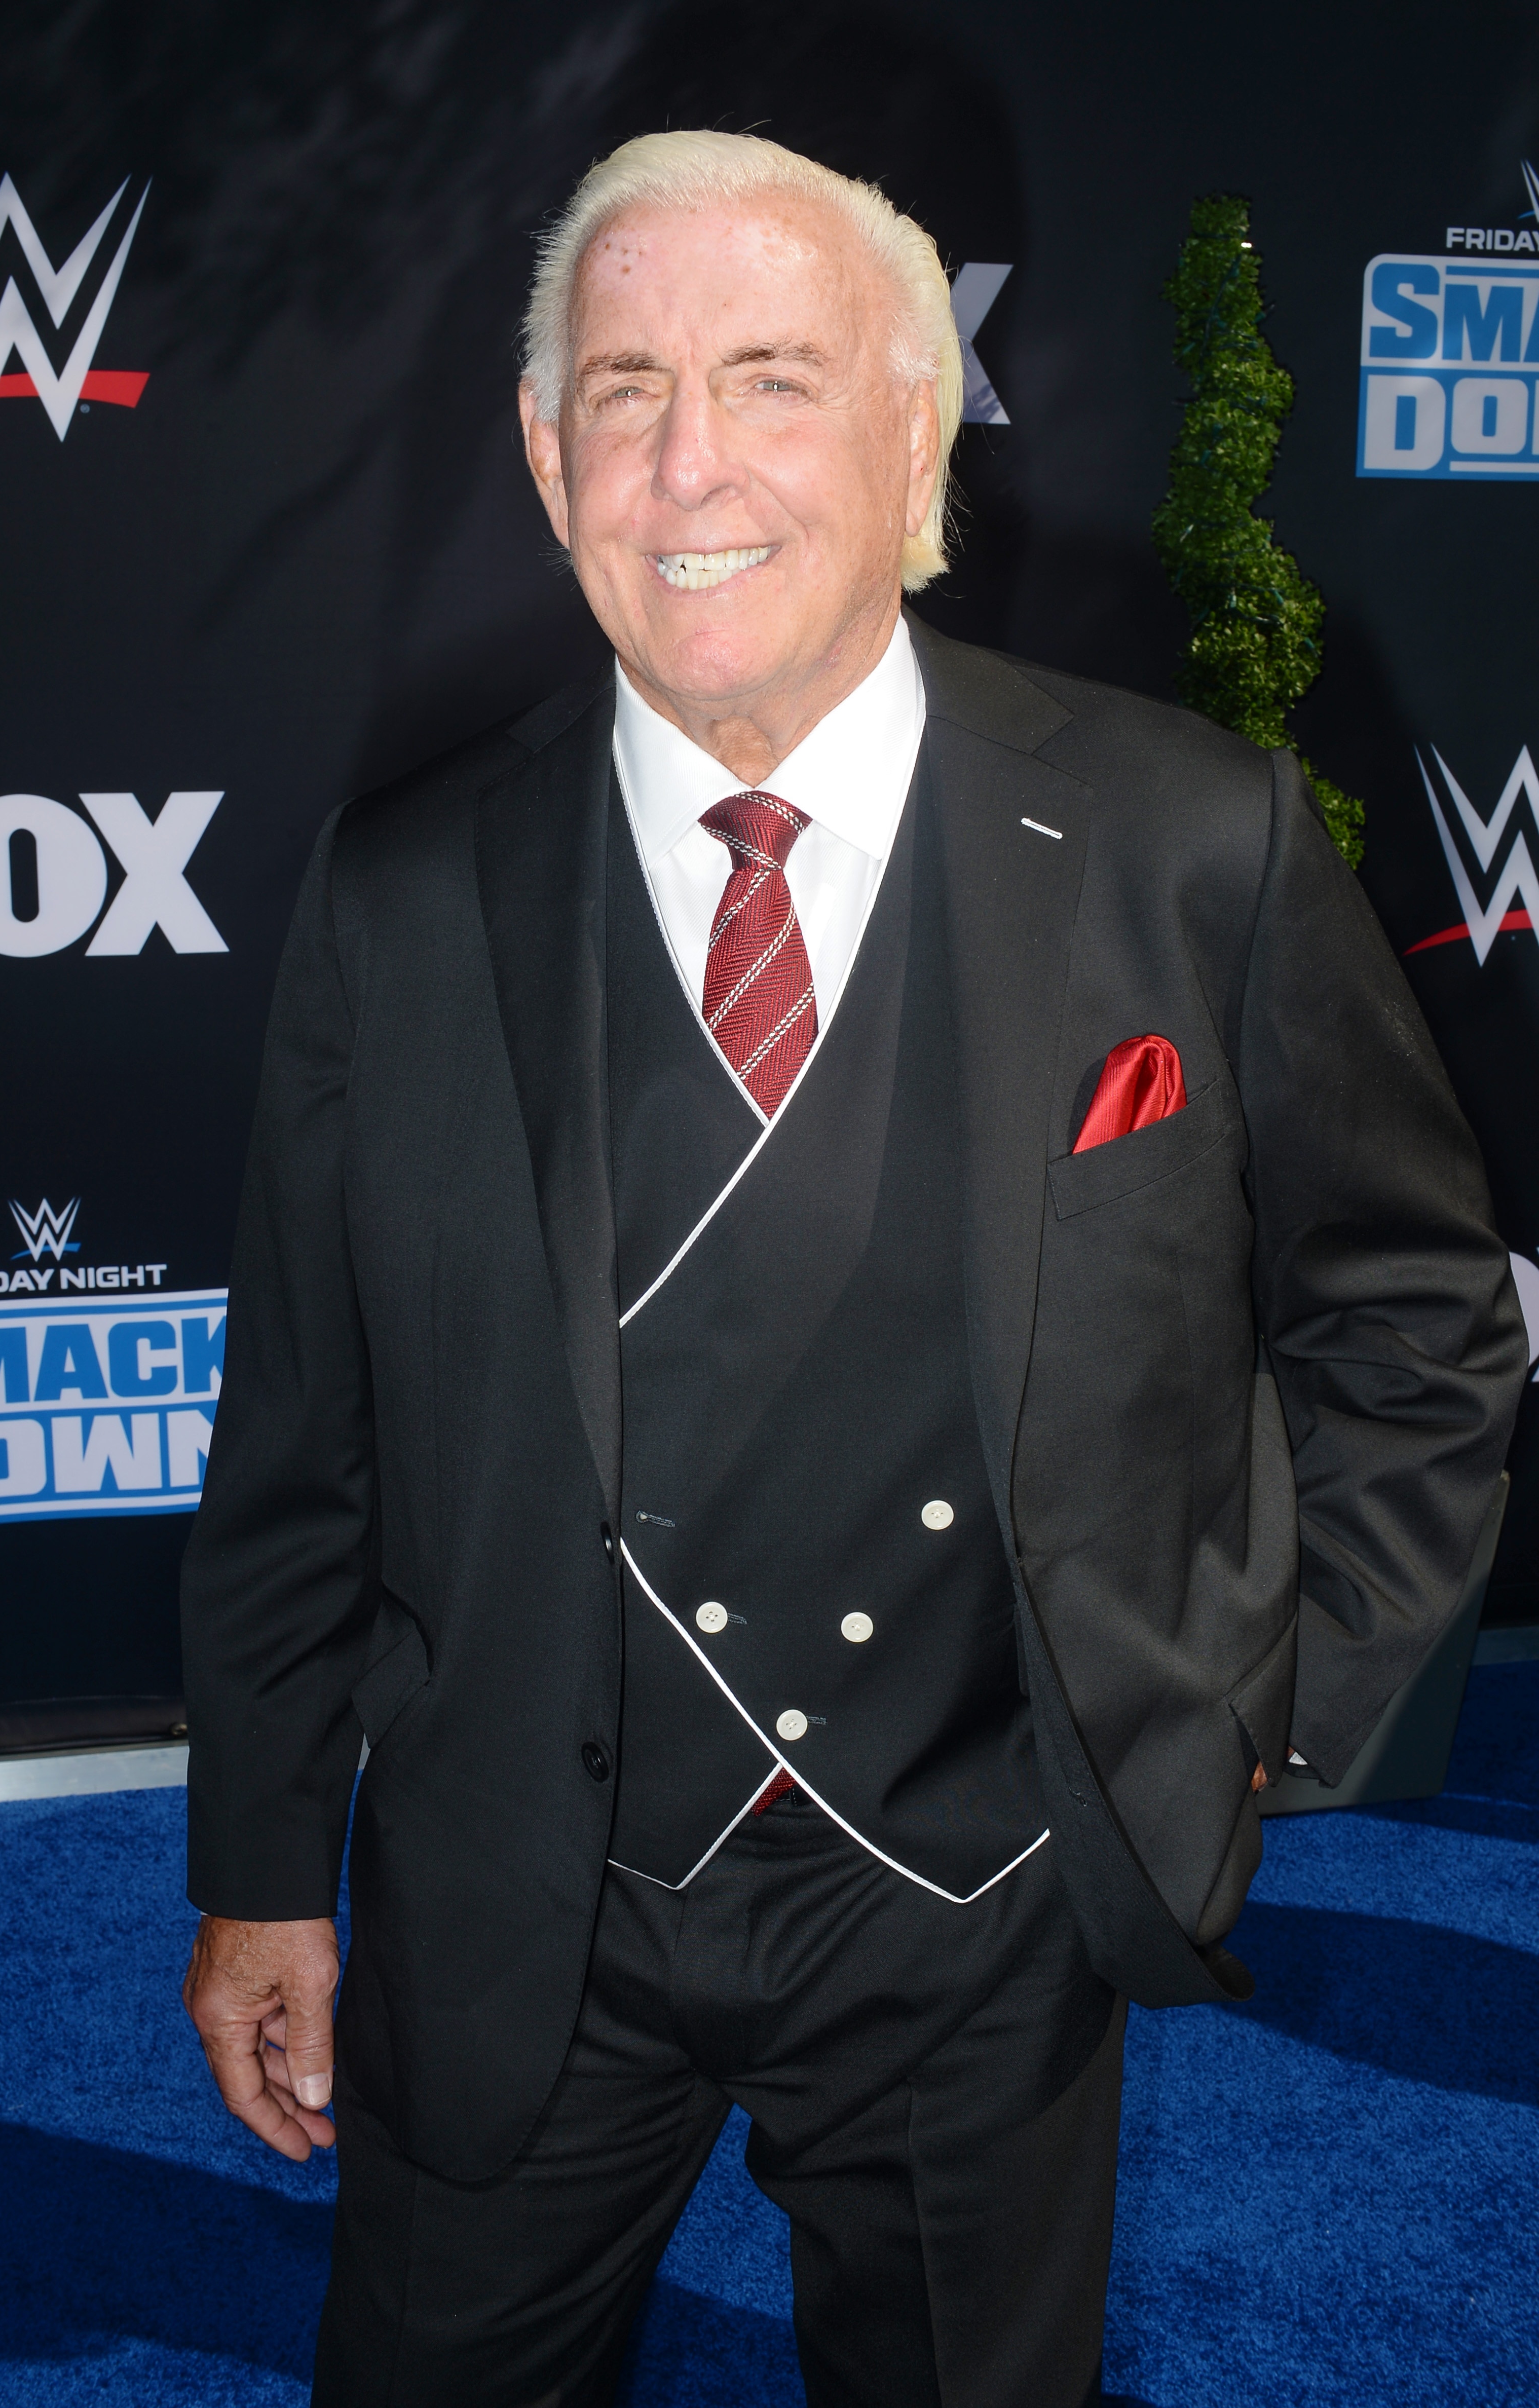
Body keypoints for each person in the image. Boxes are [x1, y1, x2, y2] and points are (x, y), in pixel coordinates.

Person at [180, 130, 1526, 2407]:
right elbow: (306, 1426)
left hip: (979, 1906)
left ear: (918, 431)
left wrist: (1256, 1715)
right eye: (623, 389)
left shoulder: (1192, 840)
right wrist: (259, 1861)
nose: (688, 459)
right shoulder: (403, 888)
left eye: (774, 376)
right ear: (544, 456)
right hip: (525, 1890)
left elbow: (1414, 1316)